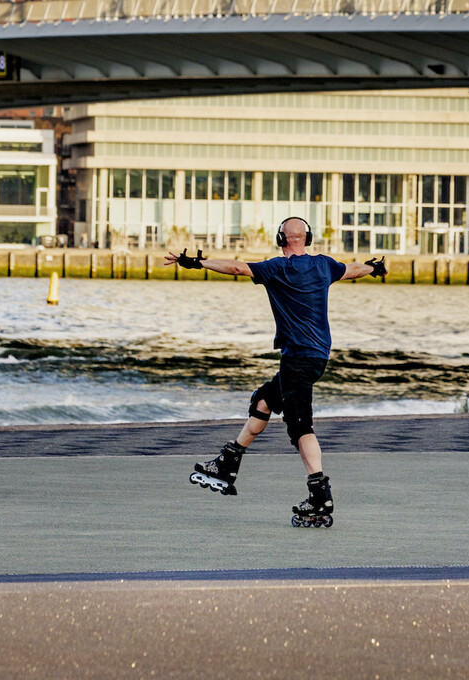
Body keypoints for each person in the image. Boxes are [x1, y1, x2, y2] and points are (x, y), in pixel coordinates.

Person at [165, 217, 387, 527]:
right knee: (264, 401)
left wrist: (197, 262)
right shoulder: (324, 266)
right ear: (306, 239)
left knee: (300, 428)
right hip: (316, 358)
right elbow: (352, 270)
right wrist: (373, 268)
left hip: (297, 359)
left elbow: (238, 267)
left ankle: (319, 495)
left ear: (280, 239)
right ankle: (227, 463)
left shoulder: (277, 269)